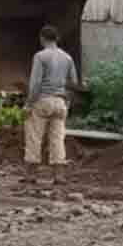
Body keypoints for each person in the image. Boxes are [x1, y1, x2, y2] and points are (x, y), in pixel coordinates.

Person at [23, 25, 79, 185]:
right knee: (57, 139)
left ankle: (31, 175)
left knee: (34, 136)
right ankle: (59, 176)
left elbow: (36, 84)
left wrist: (28, 104)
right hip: (60, 102)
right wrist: (67, 100)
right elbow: (74, 83)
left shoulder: (40, 56)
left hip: (42, 101)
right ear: (57, 39)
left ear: (42, 38)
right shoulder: (67, 58)